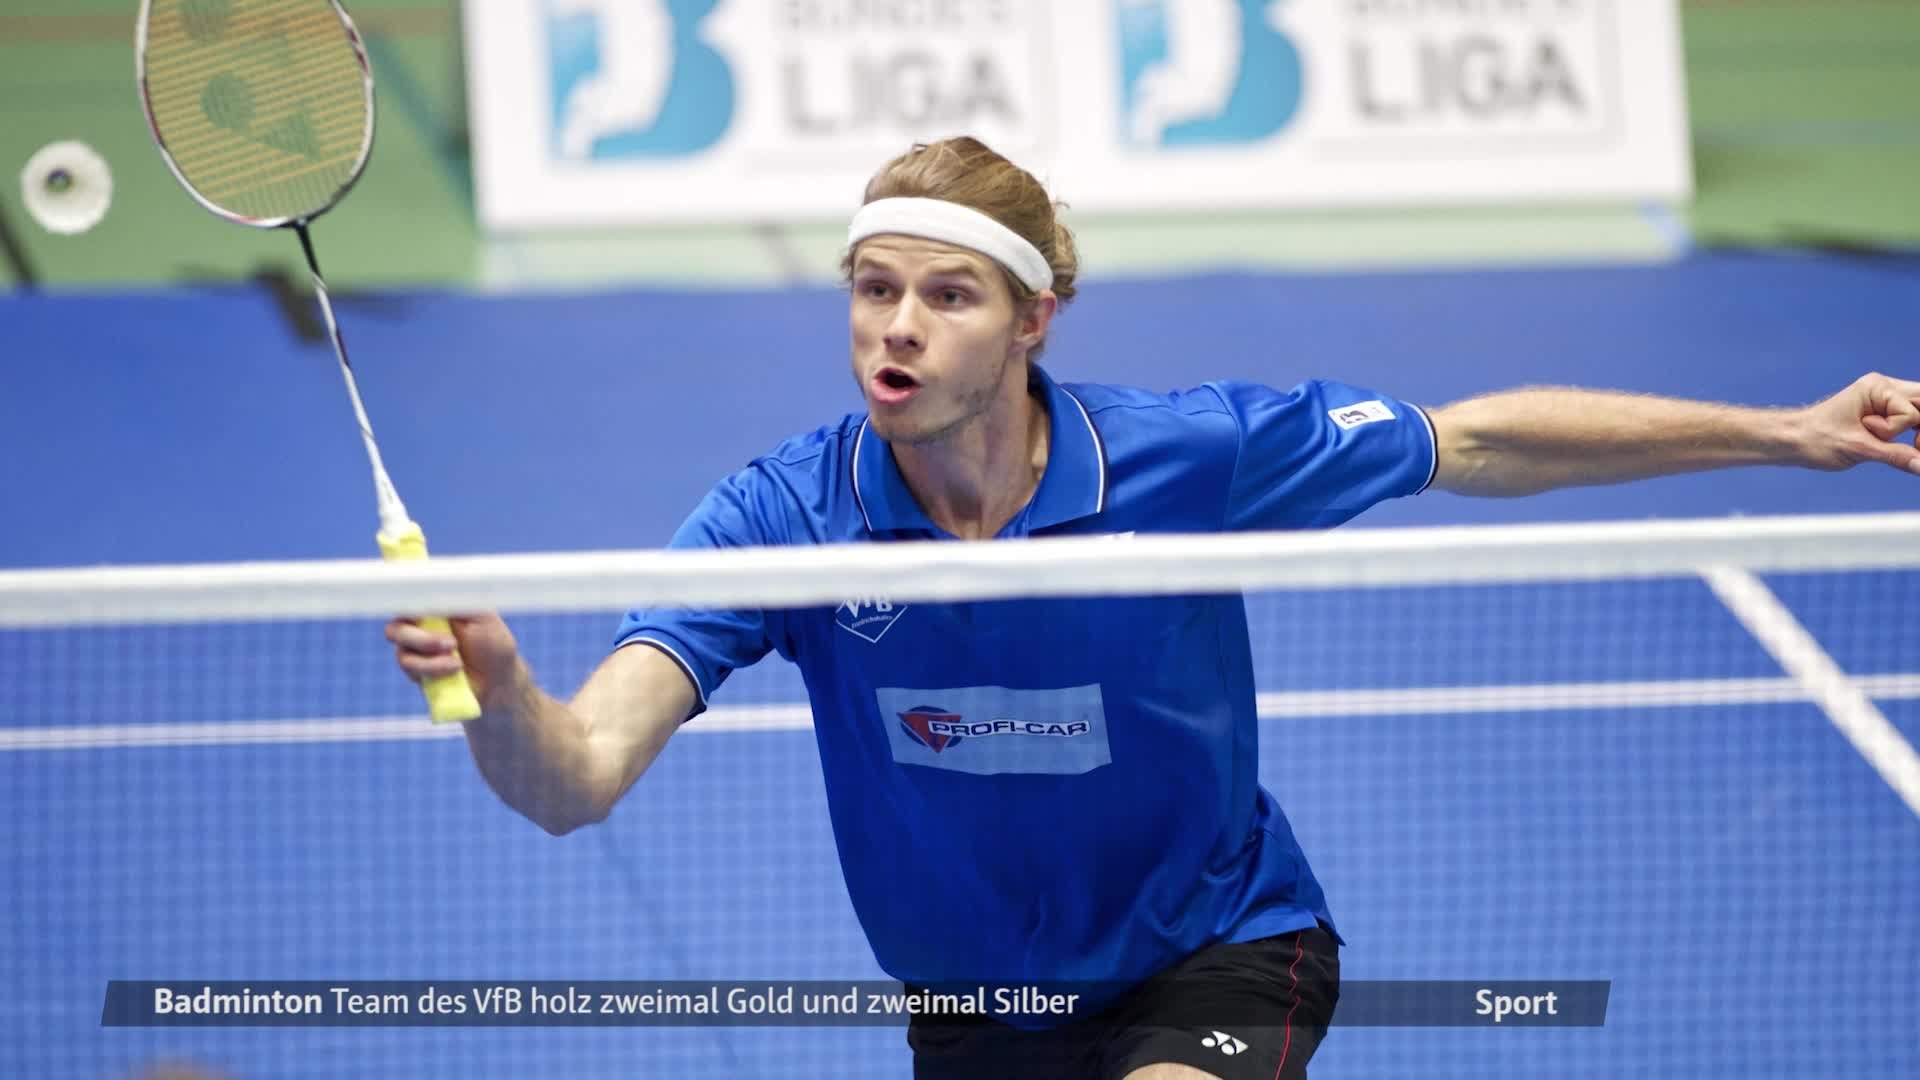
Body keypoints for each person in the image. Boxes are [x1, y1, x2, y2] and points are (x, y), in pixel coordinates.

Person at [389, 137, 1920, 1080]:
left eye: (947, 295)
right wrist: (499, 693)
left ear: (1035, 317)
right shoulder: (782, 518)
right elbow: (574, 782)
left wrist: (1782, 431)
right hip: (975, 1005)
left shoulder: (1192, 457)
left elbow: (1472, 441)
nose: (895, 329)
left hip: (1218, 949)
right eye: (872, 287)